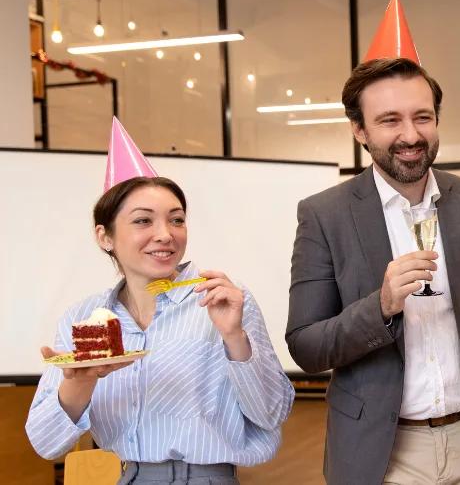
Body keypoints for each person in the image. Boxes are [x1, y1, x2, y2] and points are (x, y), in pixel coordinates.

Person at [285, 8, 460, 483]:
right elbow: (307, 346)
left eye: (423, 117)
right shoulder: (324, 214)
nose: (411, 135)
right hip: (381, 450)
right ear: (359, 130)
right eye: (389, 121)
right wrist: (379, 306)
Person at [26, 121, 294, 485]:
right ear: (104, 237)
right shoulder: (82, 319)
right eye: (143, 221)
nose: (165, 235)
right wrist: (79, 383)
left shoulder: (221, 300)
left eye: (177, 220)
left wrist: (235, 338)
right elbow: (45, 443)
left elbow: (272, 413)